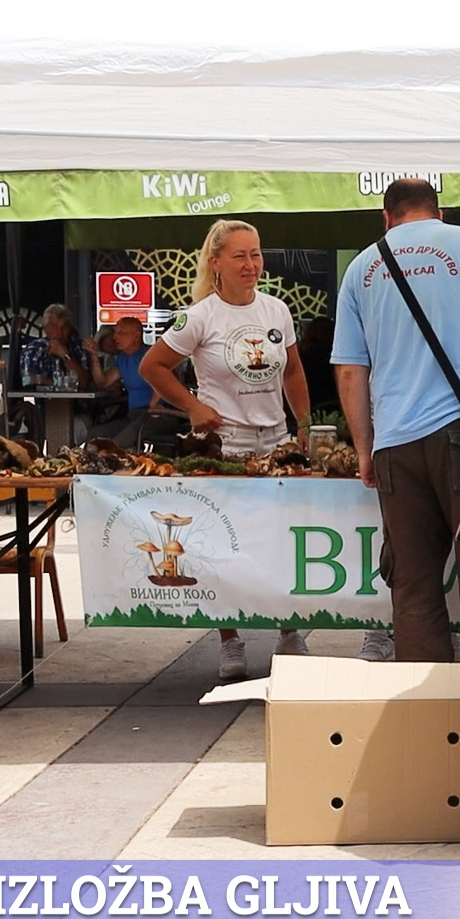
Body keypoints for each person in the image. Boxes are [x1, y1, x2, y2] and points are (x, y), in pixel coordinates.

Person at [334, 179, 460, 666]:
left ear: (386, 217)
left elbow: (349, 370)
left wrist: (365, 448)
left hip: (395, 445)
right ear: (439, 212)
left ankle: (426, 703)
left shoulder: (361, 267)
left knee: (412, 586)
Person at [142, 219, 311, 679]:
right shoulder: (199, 316)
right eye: (240, 256)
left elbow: (293, 370)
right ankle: (229, 639)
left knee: (280, 539)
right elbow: (153, 366)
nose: (251, 264)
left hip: (276, 441)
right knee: (222, 542)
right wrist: (193, 406)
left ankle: (289, 630)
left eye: (256, 254)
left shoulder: (277, 310)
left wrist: (303, 423)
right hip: (225, 445)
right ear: (215, 262)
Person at [86, 316, 160, 448]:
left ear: (136, 336)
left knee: (118, 444)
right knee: (95, 435)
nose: (115, 337)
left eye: (121, 332)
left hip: (159, 415)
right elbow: (103, 382)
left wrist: (154, 404)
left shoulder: (150, 354)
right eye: (115, 332)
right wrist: (94, 357)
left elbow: (163, 380)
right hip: (134, 415)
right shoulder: (122, 358)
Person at [20, 303, 93, 390]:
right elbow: (28, 382)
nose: (59, 332)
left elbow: (84, 383)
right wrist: (64, 384)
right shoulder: (33, 350)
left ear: (70, 328)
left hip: (76, 399)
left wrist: (65, 356)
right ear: (45, 328)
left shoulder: (80, 347)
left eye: (64, 327)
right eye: (54, 327)